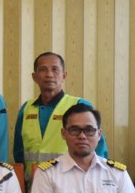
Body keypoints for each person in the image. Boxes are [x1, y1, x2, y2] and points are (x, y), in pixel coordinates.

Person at [13, 52, 106, 180]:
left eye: (55, 69)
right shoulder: (26, 108)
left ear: (64, 76)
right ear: (35, 77)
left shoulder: (80, 106)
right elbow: (19, 152)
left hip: (71, 183)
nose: (49, 75)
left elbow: (98, 150)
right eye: (43, 70)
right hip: (34, 184)